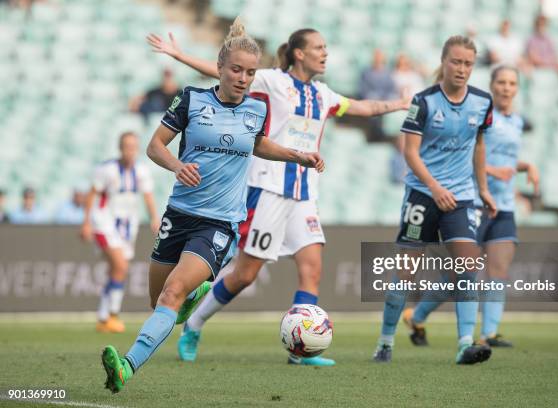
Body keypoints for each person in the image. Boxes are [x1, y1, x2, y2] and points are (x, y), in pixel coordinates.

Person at [147, 27, 411, 366]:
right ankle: (194, 325)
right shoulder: (272, 81)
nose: (325, 53)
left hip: (304, 193)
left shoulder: (324, 94)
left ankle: (301, 350)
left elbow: (362, 107)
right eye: (319, 47)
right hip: (268, 187)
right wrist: (178, 54)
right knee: (245, 274)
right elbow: (223, 72)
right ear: (299, 53)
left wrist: (398, 104)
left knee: (312, 268)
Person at [101, 19, 324, 393]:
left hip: (219, 224)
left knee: (170, 294)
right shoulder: (191, 99)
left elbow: (259, 143)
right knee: (160, 302)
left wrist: (297, 156)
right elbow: (155, 145)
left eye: (250, 72)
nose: (243, 78)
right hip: (179, 215)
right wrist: (176, 165)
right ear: (220, 68)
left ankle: (125, 367)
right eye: (236, 70)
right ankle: (189, 302)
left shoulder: (256, 109)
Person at [372, 35, 498, 365]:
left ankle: (465, 344)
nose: (462, 69)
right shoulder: (424, 101)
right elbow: (410, 152)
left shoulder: (483, 102)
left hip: (460, 196)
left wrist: (482, 188)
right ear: (443, 63)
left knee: (467, 266)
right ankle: (385, 341)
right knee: (405, 274)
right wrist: (434, 187)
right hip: (422, 195)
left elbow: (480, 146)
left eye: (468, 63)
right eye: (456, 61)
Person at [403, 65, 540, 348]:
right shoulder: (479, 116)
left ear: (517, 88)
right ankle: (416, 316)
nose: (506, 88)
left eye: (511, 83)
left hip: (503, 205)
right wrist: (490, 172)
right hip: (473, 201)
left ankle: (489, 333)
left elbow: (504, 160)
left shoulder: (515, 121)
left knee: (499, 269)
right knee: (460, 274)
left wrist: (526, 166)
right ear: (492, 85)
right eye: (501, 82)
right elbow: (468, 155)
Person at [81, 132, 160, 333]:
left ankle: (102, 317)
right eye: (126, 146)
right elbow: (92, 195)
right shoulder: (107, 169)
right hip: (104, 223)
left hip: (127, 227)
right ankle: (113, 315)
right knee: (120, 266)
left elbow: (148, 196)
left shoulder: (141, 170)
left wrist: (154, 218)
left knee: (115, 271)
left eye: (133, 146)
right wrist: (87, 223)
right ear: (120, 147)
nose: (130, 150)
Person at [359, 49, 398, 142]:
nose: (378, 59)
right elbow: (363, 89)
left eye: (380, 57)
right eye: (376, 57)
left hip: (384, 100)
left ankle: (383, 134)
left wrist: (384, 98)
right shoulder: (366, 72)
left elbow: (391, 89)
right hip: (371, 101)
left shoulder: (388, 73)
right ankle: (375, 135)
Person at [525, 14, 558, 80]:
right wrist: (547, 63)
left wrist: (551, 63)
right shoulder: (531, 40)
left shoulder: (549, 40)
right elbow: (533, 58)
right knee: (527, 69)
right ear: (536, 26)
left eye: (544, 25)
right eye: (540, 25)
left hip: (548, 64)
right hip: (537, 65)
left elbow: (554, 56)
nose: (542, 27)